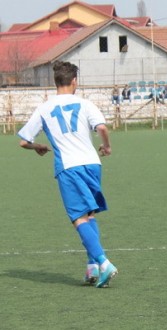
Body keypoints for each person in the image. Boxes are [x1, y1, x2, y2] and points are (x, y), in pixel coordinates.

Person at [16, 61, 118, 288]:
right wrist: (107, 146)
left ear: (56, 82)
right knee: (89, 214)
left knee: (78, 217)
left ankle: (104, 263)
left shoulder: (44, 108)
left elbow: (24, 141)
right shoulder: (85, 103)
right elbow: (101, 128)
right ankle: (92, 268)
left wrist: (38, 147)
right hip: (92, 163)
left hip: (69, 166)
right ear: (74, 81)